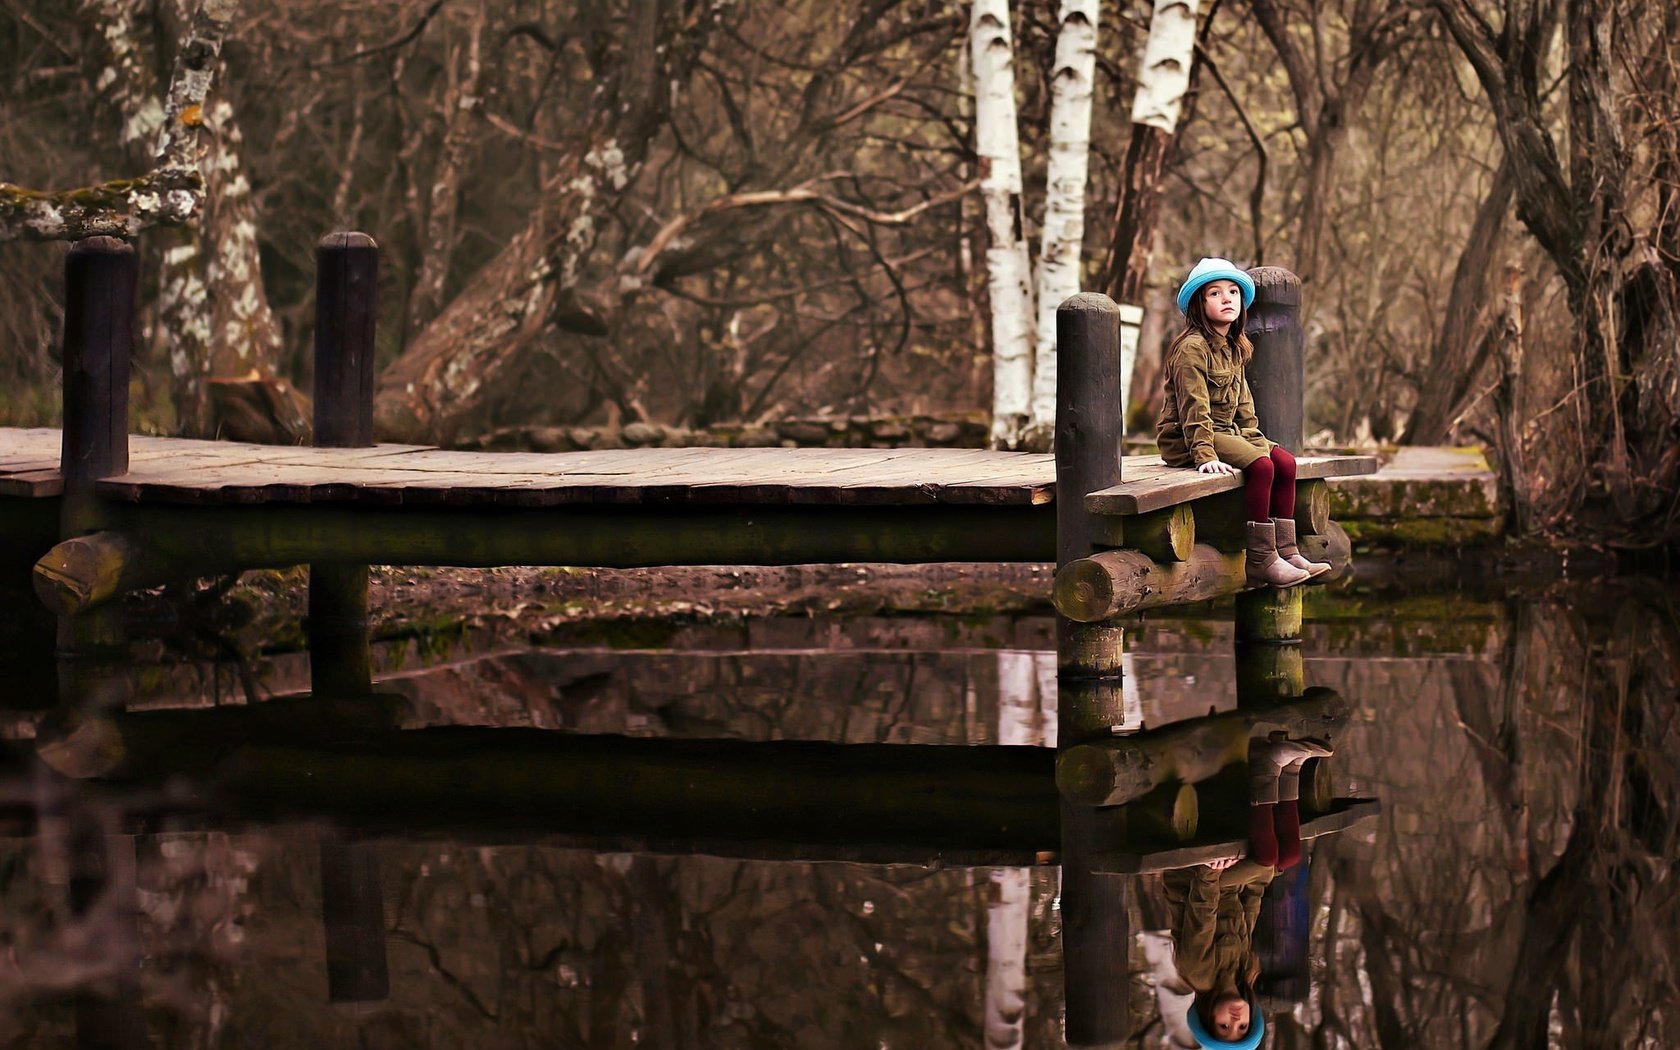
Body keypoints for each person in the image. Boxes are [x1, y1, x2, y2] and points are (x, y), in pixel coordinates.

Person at [1156, 257, 1332, 587]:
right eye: (1215, 293)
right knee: (1262, 467)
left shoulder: (1236, 345)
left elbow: (1244, 406)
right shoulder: (1191, 348)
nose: (1227, 299)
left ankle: (1287, 551)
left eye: (1234, 292)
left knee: (1284, 462)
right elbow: (1193, 407)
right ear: (1199, 303)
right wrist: (1204, 456)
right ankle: (1261, 560)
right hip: (1189, 437)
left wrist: (1255, 440)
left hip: (1228, 432)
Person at [1165, 737, 1331, 1050]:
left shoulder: (1198, 973)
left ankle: (1267, 766)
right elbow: (1249, 906)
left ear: (1206, 1015)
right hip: (1226, 883)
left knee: (1269, 860)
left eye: (1223, 1026)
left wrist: (1209, 872)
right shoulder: (1246, 969)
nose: (1234, 1018)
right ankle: (1290, 770)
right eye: (1241, 1026)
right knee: (1285, 858)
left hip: (1194, 880)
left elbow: (1200, 911)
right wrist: (1260, 876)